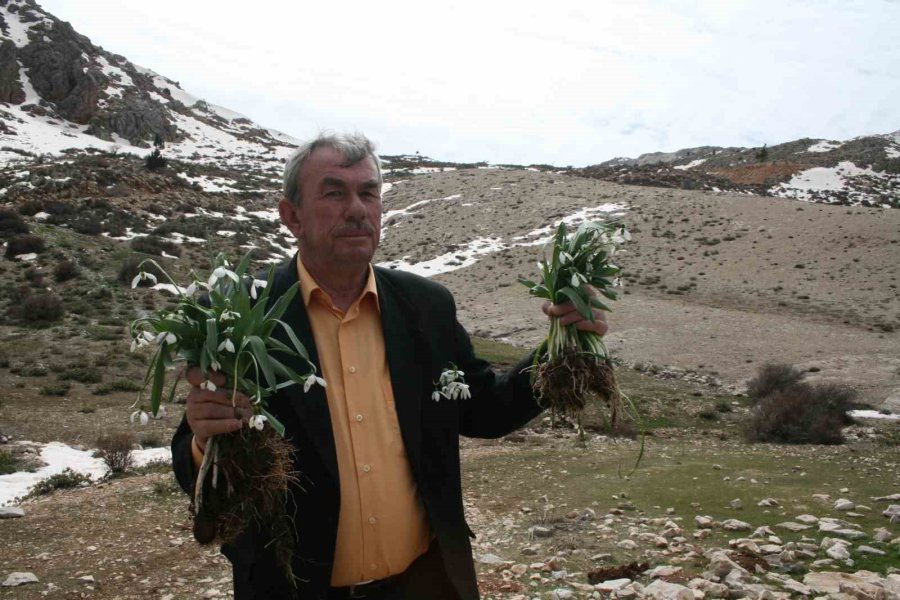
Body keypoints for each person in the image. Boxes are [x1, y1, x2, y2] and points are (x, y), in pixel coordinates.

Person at [171, 133, 608, 599]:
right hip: (293, 588)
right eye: (335, 192)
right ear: (291, 216)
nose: (357, 209)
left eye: (369, 193)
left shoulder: (426, 306)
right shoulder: (238, 312)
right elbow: (192, 460)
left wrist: (566, 348)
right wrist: (204, 438)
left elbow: (486, 411)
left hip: (424, 583)